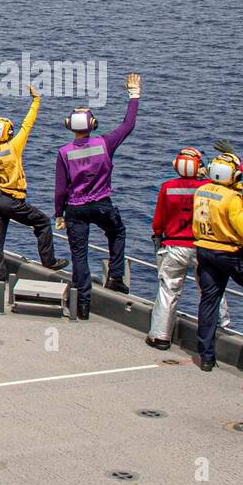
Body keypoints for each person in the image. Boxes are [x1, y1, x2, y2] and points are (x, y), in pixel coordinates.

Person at [54, 74, 140, 320]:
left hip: (75, 208)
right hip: (102, 203)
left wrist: (59, 214)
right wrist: (134, 95)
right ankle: (115, 276)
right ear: (93, 124)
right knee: (117, 231)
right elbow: (128, 125)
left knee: (79, 255)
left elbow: (61, 189)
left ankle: (82, 305)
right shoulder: (105, 143)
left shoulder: (64, 153)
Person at [0, 84, 68, 291]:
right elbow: (28, 124)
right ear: (8, 133)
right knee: (43, 222)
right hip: (12, 200)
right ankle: (48, 260)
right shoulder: (14, 146)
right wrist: (36, 100)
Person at [146, 147, 230, 351]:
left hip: (173, 246)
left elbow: (158, 221)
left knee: (168, 291)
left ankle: (160, 336)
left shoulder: (167, 187)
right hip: (201, 246)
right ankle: (224, 329)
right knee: (211, 290)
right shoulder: (208, 188)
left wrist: (158, 235)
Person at [191, 152, 243, 373]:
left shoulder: (201, 190)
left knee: (209, 300)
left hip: (204, 249)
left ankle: (206, 356)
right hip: (230, 253)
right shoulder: (231, 198)